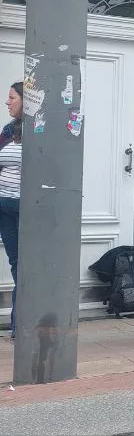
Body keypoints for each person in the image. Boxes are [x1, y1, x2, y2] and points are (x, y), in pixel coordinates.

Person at [0, 83, 20, 336]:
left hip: (26, 208)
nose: (7, 103)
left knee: (28, 264)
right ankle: (19, 323)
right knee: (17, 263)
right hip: (4, 206)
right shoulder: (8, 130)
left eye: (12, 98)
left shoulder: (41, 132)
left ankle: (22, 323)